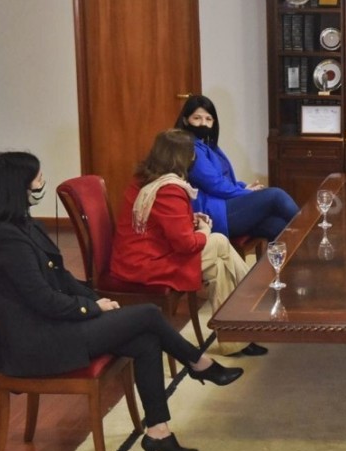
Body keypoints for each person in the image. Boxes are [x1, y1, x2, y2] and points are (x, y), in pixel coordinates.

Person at [0, 151, 244, 451]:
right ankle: (199, 363)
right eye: (37, 179)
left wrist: (96, 300)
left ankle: (158, 432)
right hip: (38, 342)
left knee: (146, 340)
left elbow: (62, 278)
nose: (41, 184)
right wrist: (93, 309)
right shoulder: (5, 240)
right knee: (148, 314)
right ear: (18, 186)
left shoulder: (24, 225)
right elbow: (43, 300)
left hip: (56, 326)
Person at [111, 129, 268, 357]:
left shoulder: (145, 179)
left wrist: (190, 219)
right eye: (192, 154)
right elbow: (185, 244)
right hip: (147, 264)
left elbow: (159, 223)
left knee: (219, 266)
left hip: (136, 256)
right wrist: (204, 230)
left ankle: (237, 337)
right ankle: (257, 295)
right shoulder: (169, 189)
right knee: (218, 241)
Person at [174, 94, 299, 241]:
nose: (203, 123)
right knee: (276, 195)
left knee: (277, 226)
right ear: (185, 120)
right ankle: (315, 232)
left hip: (225, 206)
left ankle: (307, 253)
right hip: (212, 214)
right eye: (197, 118)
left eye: (208, 119)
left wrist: (243, 186)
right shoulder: (189, 148)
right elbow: (215, 184)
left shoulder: (208, 146)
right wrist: (245, 192)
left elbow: (224, 178)